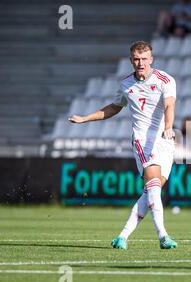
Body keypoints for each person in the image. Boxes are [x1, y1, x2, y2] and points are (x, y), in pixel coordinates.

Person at [69, 41, 178, 250]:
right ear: (131, 60)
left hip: (165, 140)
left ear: (151, 59)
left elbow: (169, 104)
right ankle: (163, 236)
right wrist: (85, 118)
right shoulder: (125, 84)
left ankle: (122, 236)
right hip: (142, 140)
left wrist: (169, 127)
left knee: (150, 191)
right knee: (153, 185)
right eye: (136, 59)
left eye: (144, 59)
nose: (140, 63)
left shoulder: (165, 80)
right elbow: (113, 108)